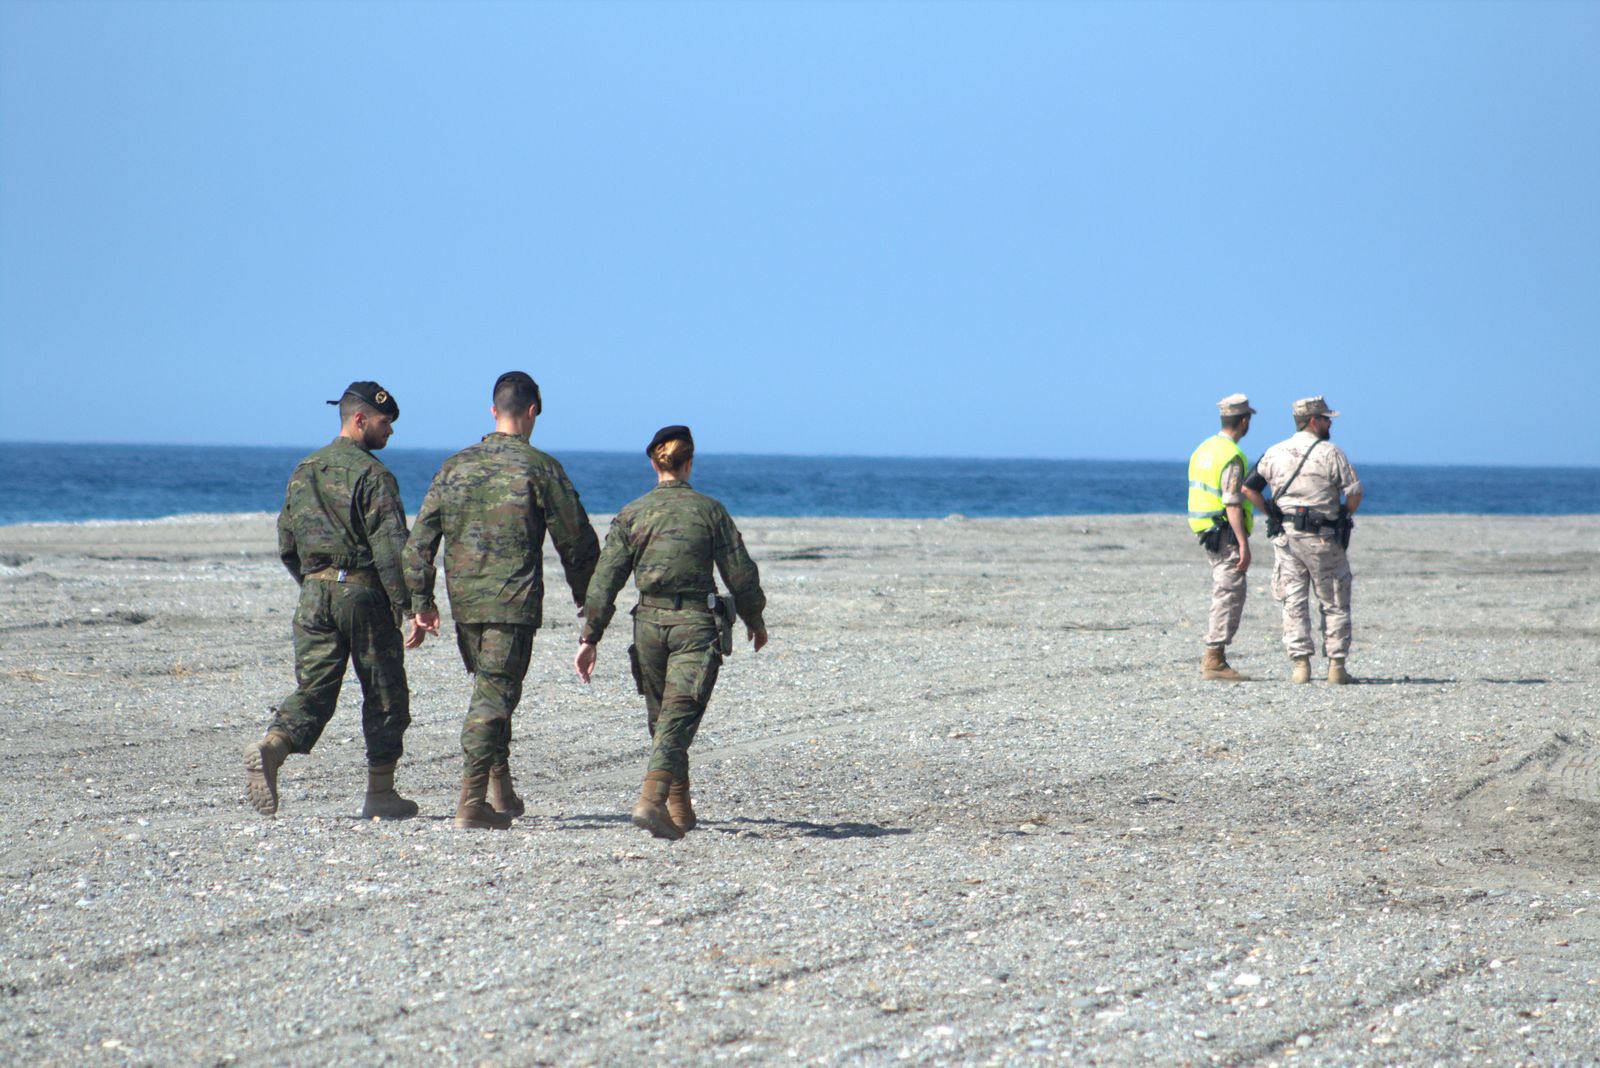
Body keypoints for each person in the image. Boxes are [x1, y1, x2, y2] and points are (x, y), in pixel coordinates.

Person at [403, 372, 599, 830]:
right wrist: (590, 607)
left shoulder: (454, 467)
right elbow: (577, 545)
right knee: (492, 699)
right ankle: (471, 801)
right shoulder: (540, 468)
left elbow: (418, 544)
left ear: (493, 411)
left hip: (465, 606)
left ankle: (501, 789)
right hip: (511, 605)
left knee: (493, 690)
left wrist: (420, 601)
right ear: (532, 412)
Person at [573, 425, 768, 840]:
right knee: (677, 717)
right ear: (689, 463)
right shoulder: (709, 511)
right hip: (694, 626)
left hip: (647, 626)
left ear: (653, 462)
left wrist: (590, 637)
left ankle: (680, 810)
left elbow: (605, 581)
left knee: (664, 720)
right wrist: (755, 617)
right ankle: (651, 800)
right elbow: (741, 572)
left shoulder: (632, 513)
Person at [246, 381, 422, 819]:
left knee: (316, 689)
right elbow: (391, 549)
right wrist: (412, 606)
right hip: (361, 593)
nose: (391, 433)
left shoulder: (304, 469)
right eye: (385, 423)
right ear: (359, 419)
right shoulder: (373, 475)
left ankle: (273, 745)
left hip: (313, 592)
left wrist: (313, 584)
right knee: (384, 691)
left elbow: (286, 540)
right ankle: (381, 793)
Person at [1247, 396, 1364, 684]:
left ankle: (1301, 667)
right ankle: (1336, 667)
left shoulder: (1274, 452)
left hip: (1287, 536)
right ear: (1314, 421)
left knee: (1293, 600)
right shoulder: (1331, 453)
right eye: (1326, 418)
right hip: (1323, 536)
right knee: (1334, 598)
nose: (1330, 423)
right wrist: (1342, 515)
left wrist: (1271, 513)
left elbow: (1249, 489)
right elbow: (1355, 493)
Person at [1187, 393, 1269, 681]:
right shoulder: (1231, 456)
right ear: (1244, 421)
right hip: (1224, 532)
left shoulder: (1205, 448)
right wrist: (1244, 543)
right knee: (1229, 591)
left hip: (1205, 529)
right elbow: (1232, 501)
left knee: (1224, 589)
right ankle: (1214, 658)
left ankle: (1215, 656)